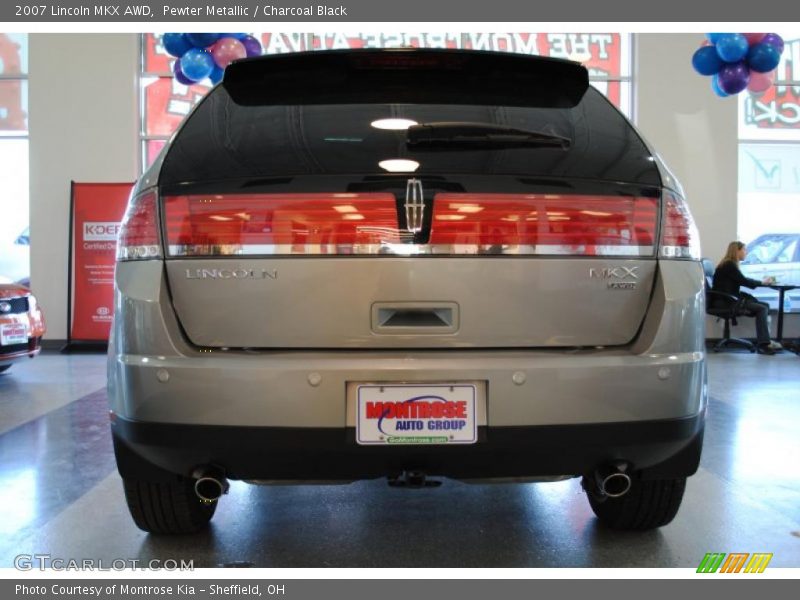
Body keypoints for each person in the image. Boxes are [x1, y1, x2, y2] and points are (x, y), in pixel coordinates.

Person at [712, 241, 780, 355]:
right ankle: (763, 345)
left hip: (727, 299)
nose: (746, 252)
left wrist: (761, 283)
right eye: (744, 250)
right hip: (726, 302)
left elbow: (741, 280)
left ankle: (766, 340)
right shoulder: (729, 265)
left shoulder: (729, 264)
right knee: (762, 309)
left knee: (765, 306)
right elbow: (744, 281)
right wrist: (762, 282)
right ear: (737, 251)